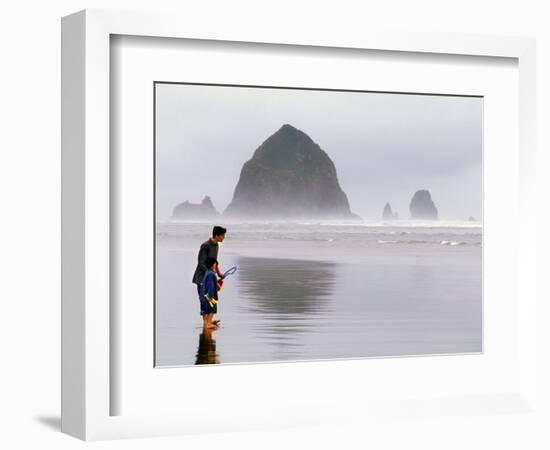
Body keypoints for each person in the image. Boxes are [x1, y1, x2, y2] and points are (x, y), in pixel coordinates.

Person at [192, 226, 226, 323]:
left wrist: (219, 274)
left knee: (211, 299)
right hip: (201, 278)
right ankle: (206, 323)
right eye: (222, 236)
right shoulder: (205, 245)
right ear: (216, 235)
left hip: (210, 276)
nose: (224, 238)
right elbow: (201, 263)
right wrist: (209, 274)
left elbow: (214, 262)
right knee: (204, 300)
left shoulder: (216, 246)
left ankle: (208, 321)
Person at [198, 257, 220, 329]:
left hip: (203, 295)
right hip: (208, 296)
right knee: (212, 310)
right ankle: (208, 324)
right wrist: (210, 296)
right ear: (213, 265)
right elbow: (210, 286)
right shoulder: (211, 274)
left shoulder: (207, 272)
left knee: (206, 310)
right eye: (215, 264)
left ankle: (207, 322)